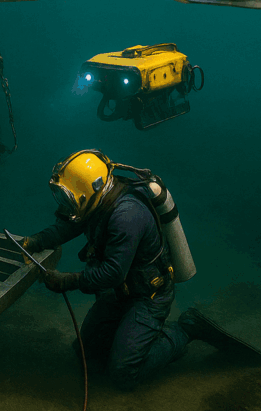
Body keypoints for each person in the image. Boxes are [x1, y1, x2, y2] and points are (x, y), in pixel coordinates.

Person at [22, 149, 258, 390]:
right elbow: (67, 227)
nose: (64, 204)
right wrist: (35, 241)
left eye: (68, 198)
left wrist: (66, 281)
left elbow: (112, 273)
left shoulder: (126, 215)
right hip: (119, 293)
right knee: (87, 355)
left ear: (88, 192)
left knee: (123, 374)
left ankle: (185, 330)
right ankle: (129, 336)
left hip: (148, 296)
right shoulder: (97, 198)